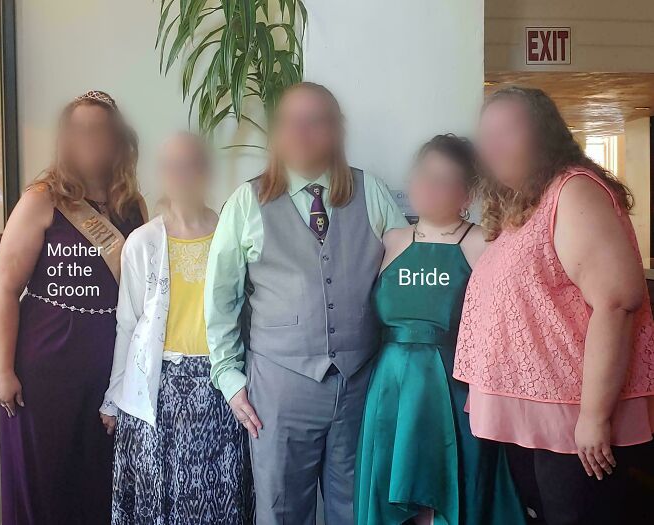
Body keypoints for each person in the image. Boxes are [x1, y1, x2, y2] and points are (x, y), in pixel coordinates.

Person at [205, 82, 408, 524]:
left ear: (336, 130)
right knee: (281, 511)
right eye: (290, 121)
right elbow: (220, 298)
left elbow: (403, 279)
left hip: (360, 386)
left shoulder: (371, 192)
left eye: (315, 121)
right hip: (279, 390)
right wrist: (230, 378)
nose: (301, 131)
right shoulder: (247, 201)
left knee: (358, 510)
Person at [453, 86, 654, 525]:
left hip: (575, 421)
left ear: (544, 133)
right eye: (487, 136)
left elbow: (618, 300)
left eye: (508, 131)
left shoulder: (573, 190)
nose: (494, 146)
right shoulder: (528, 203)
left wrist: (594, 417)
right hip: (541, 417)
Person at [354, 135, 526, 525]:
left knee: (451, 496)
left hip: (455, 389)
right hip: (391, 389)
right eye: (424, 175)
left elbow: (506, 327)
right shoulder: (390, 241)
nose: (429, 187)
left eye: (443, 180)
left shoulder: (484, 243)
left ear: (467, 194)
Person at [0, 91, 146, 525]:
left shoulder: (132, 207)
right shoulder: (42, 199)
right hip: (45, 371)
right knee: (47, 483)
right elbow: (6, 289)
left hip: (107, 372)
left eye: (100, 130)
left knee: (99, 485)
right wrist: (3, 371)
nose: (90, 139)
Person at [99, 132, 254, 525]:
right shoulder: (142, 243)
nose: (182, 175)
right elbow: (128, 325)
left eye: (191, 165)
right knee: (161, 503)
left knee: (221, 500)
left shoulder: (232, 234)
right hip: (158, 390)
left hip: (221, 388)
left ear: (206, 171)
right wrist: (114, 398)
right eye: (172, 166)